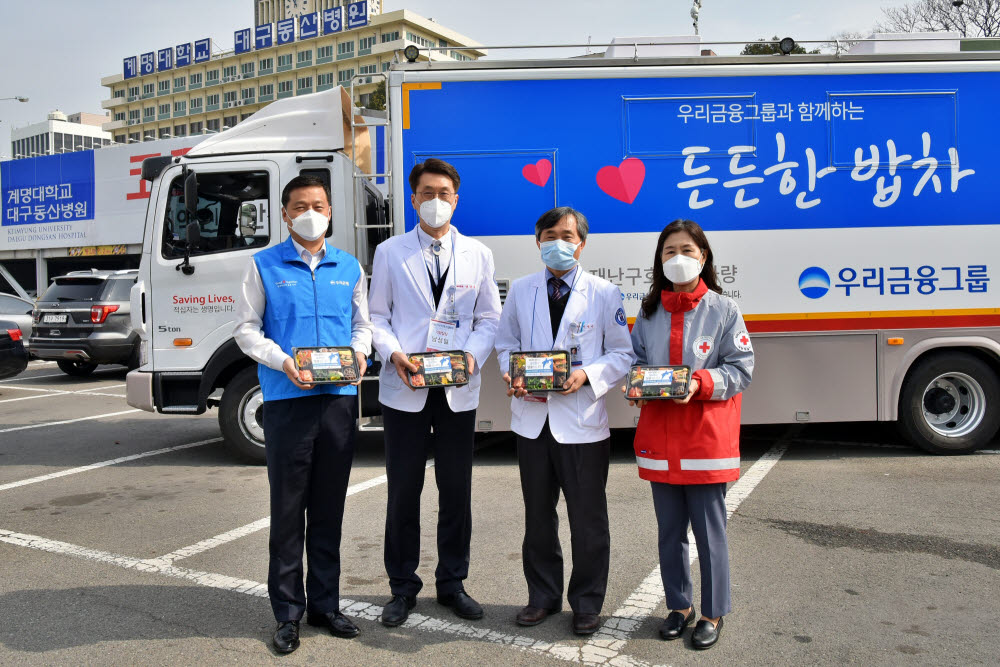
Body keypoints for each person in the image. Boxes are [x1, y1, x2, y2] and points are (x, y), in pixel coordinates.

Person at [233, 175, 373, 654]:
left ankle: (327, 606)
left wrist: (360, 355)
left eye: (317, 204)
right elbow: (247, 330)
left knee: (330, 509)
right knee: (289, 511)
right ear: (286, 213)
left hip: (337, 399)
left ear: (329, 210)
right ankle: (288, 613)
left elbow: (362, 325)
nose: (309, 212)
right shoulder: (264, 265)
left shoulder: (349, 266)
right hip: (287, 400)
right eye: (299, 206)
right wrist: (282, 361)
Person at [368, 158, 502, 627]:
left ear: (456, 198)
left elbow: (489, 319)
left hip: (457, 390)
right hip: (405, 387)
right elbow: (376, 317)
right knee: (404, 490)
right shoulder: (389, 252)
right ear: (413, 198)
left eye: (444, 193)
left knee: (456, 490)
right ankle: (402, 587)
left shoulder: (478, 254)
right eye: (427, 193)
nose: (436, 201)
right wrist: (393, 354)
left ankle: (452, 583)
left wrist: (470, 357)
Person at [494, 207, 635, 635]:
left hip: (582, 423)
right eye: (551, 235)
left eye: (568, 236)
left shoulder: (604, 293)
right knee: (538, 516)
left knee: (587, 518)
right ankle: (543, 596)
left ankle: (587, 602)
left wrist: (586, 375)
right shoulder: (520, 290)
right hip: (532, 422)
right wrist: (512, 374)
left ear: (582, 243)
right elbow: (506, 344)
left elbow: (622, 353)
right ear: (538, 242)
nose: (560, 242)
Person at [627, 219, 753, 650]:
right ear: (659, 260)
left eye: (686, 249)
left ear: (703, 256)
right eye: (668, 251)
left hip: (704, 441)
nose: (677, 258)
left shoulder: (723, 310)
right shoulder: (647, 312)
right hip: (660, 440)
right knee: (669, 532)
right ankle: (678, 606)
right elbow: (637, 363)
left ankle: (713, 613)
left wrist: (698, 384)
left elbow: (741, 370)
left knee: (709, 533)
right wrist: (637, 387)